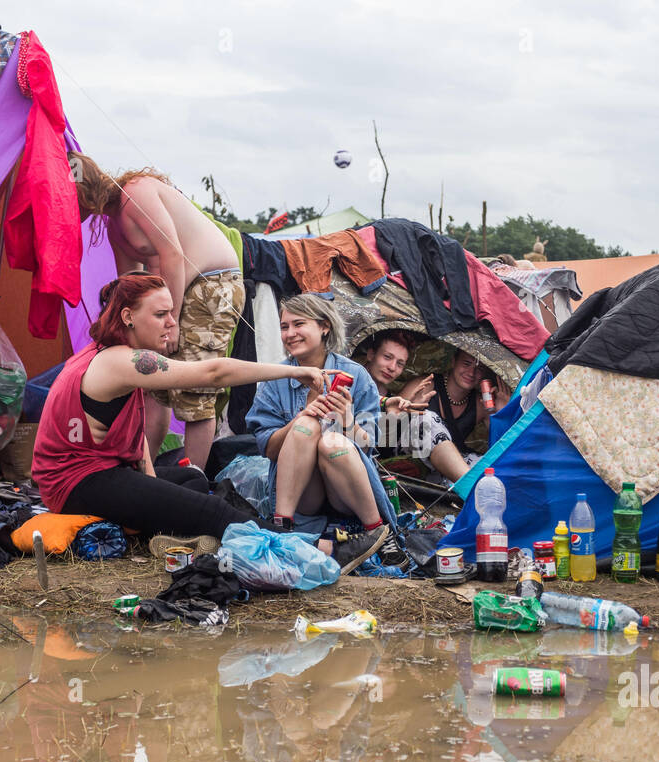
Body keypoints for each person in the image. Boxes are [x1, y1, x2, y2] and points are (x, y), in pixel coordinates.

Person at [31, 274, 387, 573]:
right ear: (127, 317)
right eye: (161, 314)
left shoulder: (109, 357)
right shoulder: (119, 361)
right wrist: (299, 370)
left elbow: (130, 433)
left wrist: (151, 489)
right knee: (213, 508)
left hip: (92, 474)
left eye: (172, 313)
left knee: (192, 479)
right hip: (77, 483)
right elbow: (215, 372)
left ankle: (170, 536)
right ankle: (319, 549)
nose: (173, 322)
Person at [71, 151, 242, 471]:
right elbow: (132, 287)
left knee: (196, 390)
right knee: (151, 385)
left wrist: (169, 319)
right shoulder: (114, 227)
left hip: (212, 284)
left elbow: (173, 255)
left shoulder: (136, 193)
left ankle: (194, 486)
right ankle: (145, 479)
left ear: (83, 192)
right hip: (176, 292)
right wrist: (119, 330)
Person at [245, 295, 407, 568]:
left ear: (324, 327)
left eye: (299, 324)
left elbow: (368, 448)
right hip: (301, 495)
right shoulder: (277, 379)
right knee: (305, 426)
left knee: (332, 441)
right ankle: (282, 529)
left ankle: (378, 533)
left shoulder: (355, 376)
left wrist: (347, 422)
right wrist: (299, 419)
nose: (290, 333)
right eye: (284, 327)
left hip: (344, 491)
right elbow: (268, 449)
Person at [359, 330, 472, 482]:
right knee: (427, 419)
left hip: (398, 453)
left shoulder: (394, 398)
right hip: (353, 451)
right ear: (371, 354)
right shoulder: (351, 382)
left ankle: (476, 484)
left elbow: (387, 438)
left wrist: (402, 417)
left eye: (400, 364)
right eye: (387, 357)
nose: (392, 367)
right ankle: (471, 485)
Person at [405, 348, 497, 456]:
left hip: (449, 466)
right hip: (414, 456)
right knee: (428, 417)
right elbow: (389, 425)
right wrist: (409, 411)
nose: (471, 373)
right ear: (453, 361)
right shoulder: (425, 386)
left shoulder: (481, 403)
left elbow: (501, 444)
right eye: (466, 364)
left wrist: (502, 411)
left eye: (480, 368)